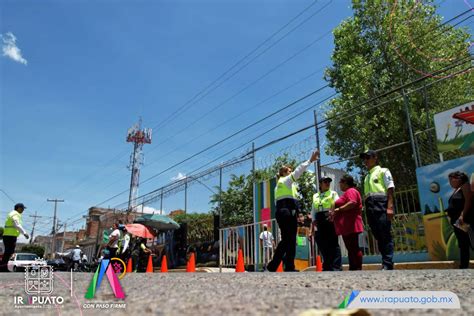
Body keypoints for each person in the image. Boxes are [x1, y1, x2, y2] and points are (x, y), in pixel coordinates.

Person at [267, 150, 319, 272]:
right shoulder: (285, 181)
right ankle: (278, 265)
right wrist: (310, 160)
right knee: (288, 240)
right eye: (289, 171)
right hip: (286, 213)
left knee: (288, 240)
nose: (291, 173)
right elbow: (298, 171)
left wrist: (298, 213)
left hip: (284, 212)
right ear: (284, 173)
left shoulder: (279, 185)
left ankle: (285, 265)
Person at [360, 149, 395, 270]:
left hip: (381, 203)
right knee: (377, 234)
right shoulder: (366, 177)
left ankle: (387, 262)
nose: (366, 161)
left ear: (375, 158)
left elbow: (390, 188)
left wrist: (390, 206)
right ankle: (385, 260)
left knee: (385, 233)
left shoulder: (383, 171)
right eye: (364, 158)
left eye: (368, 157)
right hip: (370, 206)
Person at [332, 174, 364, 270]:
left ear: (345, 182)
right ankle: (353, 267)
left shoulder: (351, 191)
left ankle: (357, 267)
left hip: (351, 224)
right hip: (347, 225)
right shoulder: (347, 192)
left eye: (340, 182)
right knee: (350, 247)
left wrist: (339, 209)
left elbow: (352, 202)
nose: (339, 184)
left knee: (353, 247)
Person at [311, 177, 341, 271]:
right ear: (320, 184)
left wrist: (333, 212)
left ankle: (336, 266)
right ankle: (327, 264)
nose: (327, 183)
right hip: (319, 218)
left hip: (329, 216)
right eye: (325, 182)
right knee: (322, 242)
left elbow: (337, 202)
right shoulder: (315, 195)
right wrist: (313, 219)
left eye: (328, 182)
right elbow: (313, 208)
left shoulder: (333, 193)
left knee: (333, 242)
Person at [445, 171, 473, 269]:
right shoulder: (457, 189)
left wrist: (462, 215)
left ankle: (464, 265)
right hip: (456, 222)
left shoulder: (465, 186)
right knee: (463, 243)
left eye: (451, 179)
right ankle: (464, 265)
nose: (450, 182)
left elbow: (468, 201)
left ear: (458, 178)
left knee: (469, 241)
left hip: (463, 220)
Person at [1, 203, 29, 272]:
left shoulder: (13, 213)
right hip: (10, 236)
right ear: (19, 208)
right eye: (22, 208)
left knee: (9, 252)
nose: (23, 210)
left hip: (9, 235)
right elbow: (17, 225)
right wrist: (24, 233)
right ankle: (2, 267)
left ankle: (3, 267)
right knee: (8, 252)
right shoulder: (15, 214)